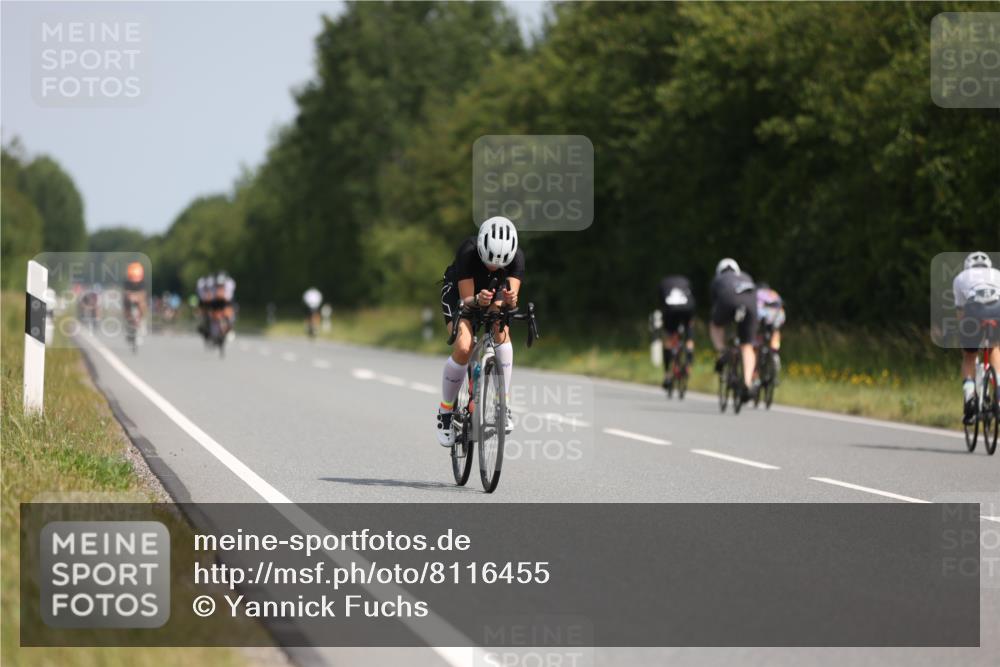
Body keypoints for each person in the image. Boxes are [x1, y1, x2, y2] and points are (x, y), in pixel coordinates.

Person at [436, 216, 523, 447]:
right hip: (460, 295)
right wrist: (477, 299)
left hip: (493, 292)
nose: (493, 267)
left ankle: (503, 404)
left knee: (500, 329)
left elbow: (510, 300)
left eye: (500, 264)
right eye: (489, 261)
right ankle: (445, 411)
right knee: (464, 347)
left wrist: (510, 300)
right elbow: (467, 301)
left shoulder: (516, 257)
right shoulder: (468, 250)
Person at [953, 251, 1000, 424]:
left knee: (969, 356)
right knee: (994, 348)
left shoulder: (960, 277)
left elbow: (961, 312)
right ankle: (999, 393)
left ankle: (969, 397)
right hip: (997, 309)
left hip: (974, 311)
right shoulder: (997, 274)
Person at [709, 258, 757, 401]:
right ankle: (747, 383)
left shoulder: (718, 279)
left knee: (715, 325)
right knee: (747, 346)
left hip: (728, 300)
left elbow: (715, 304)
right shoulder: (746, 276)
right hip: (750, 304)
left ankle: (722, 351)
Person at [656, 275, 696, 391]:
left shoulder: (664, 283)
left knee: (669, 340)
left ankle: (667, 374)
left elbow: (661, 302)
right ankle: (688, 362)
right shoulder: (686, 282)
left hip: (671, 310)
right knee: (689, 336)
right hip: (687, 309)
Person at [755, 281, 786, 372]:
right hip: (779, 315)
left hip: (763, 315)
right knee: (775, 331)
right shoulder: (773, 293)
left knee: (758, 333)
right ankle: (774, 351)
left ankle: (758, 351)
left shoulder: (756, 293)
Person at [122, 261, 147, 338]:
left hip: (138, 299)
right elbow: (125, 293)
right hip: (130, 299)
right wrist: (129, 296)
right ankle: (129, 321)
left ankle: (140, 321)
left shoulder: (142, 283)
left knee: (142, 304)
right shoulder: (127, 283)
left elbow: (143, 294)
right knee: (126, 304)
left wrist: (137, 297)